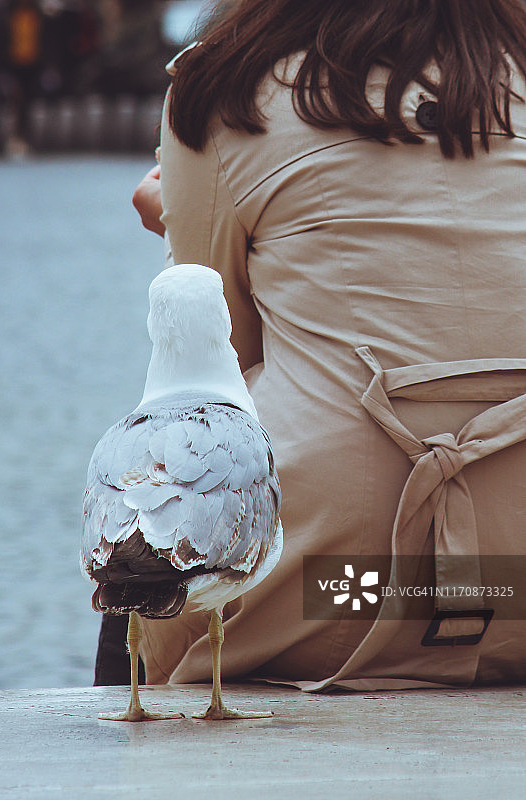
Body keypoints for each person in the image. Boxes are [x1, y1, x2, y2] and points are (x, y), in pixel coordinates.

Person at [107, 0, 526, 691]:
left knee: (143, 558)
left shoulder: (225, 87)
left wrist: (178, 233)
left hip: (336, 593)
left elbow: (222, 362)